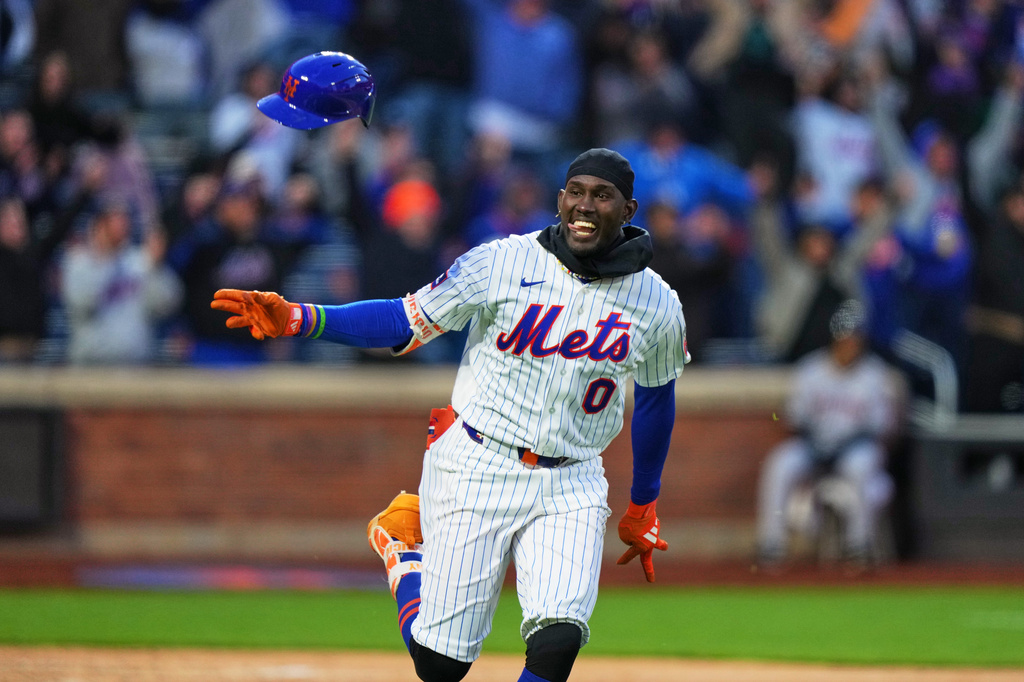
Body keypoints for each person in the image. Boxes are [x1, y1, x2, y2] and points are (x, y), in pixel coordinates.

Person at [211, 147, 689, 682]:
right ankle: (403, 553)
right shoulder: (501, 262)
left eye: (601, 196)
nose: (584, 205)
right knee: (440, 666)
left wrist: (643, 502)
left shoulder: (657, 304)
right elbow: (404, 319)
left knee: (558, 640)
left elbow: (655, 398)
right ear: (559, 201)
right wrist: (300, 318)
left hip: (573, 480)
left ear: (628, 210)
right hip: (478, 463)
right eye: (575, 192)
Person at [756, 301, 898, 568]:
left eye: (855, 339)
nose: (850, 345)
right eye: (845, 339)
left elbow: (883, 427)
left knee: (862, 464)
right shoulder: (811, 370)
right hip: (815, 446)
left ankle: (858, 544)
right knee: (780, 462)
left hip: (855, 446)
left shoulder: (874, 374)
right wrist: (815, 438)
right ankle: (771, 543)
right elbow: (793, 417)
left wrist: (848, 439)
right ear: (834, 339)